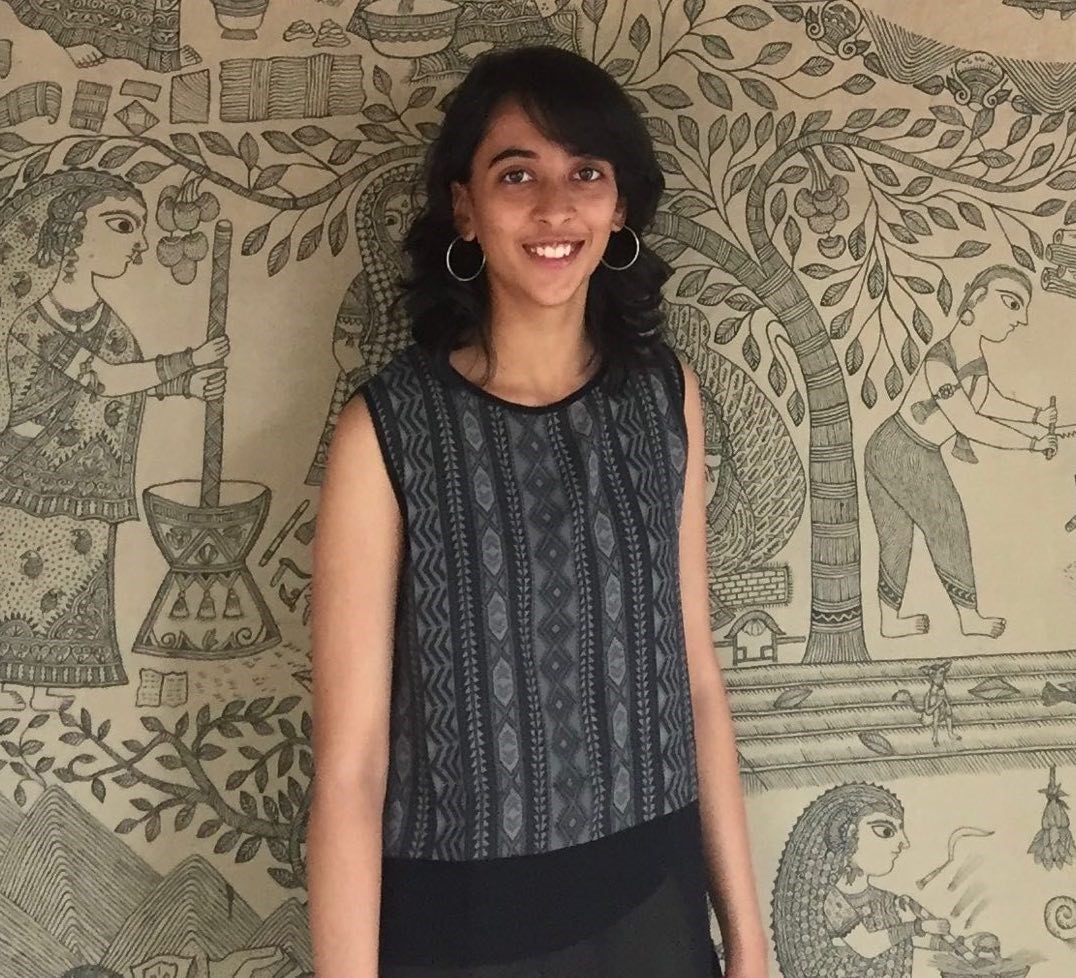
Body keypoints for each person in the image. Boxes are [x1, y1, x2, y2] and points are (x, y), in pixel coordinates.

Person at [307, 44, 768, 978]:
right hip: (462, 931)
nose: (556, 209)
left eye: (586, 173)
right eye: (517, 174)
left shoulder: (663, 397)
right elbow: (352, 769)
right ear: (464, 208)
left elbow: (695, 678)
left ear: (619, 206)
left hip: (654, 905)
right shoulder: (387, 432)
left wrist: (749, 945)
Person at [0, 168, 228, 712]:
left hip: (90, 486)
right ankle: (11, 684)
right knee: (21, 585)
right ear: (73, 232)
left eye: (140, 228)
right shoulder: (35, 322)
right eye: (122, 225)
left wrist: (186, 387)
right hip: (30, 479)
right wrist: (186, 361)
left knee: (77, 587)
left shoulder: (110, 323)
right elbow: (101, 379)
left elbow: (127, 383)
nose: (140, 243)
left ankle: (54, 682)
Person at [864, 264, 1058, 641]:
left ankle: (891, 621)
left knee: (897, 535)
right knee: (945, 522)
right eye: (1012, 304)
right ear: (977, 298)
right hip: (902, 449)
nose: (1021, 319)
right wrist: (1033, 442)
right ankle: (969, 618)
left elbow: (988, 401)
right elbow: (970, 422)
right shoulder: (940, 362)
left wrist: (1036, 417)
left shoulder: (973, 358)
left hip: (901, 448)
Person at [772, 783, 992, 978]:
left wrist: (956, 945)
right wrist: (919, 926)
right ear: (846, 833)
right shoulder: (829, 900)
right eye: (886, 831)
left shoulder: (885, 899)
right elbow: (868, 945)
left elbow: (900, 940)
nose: (904, 842)